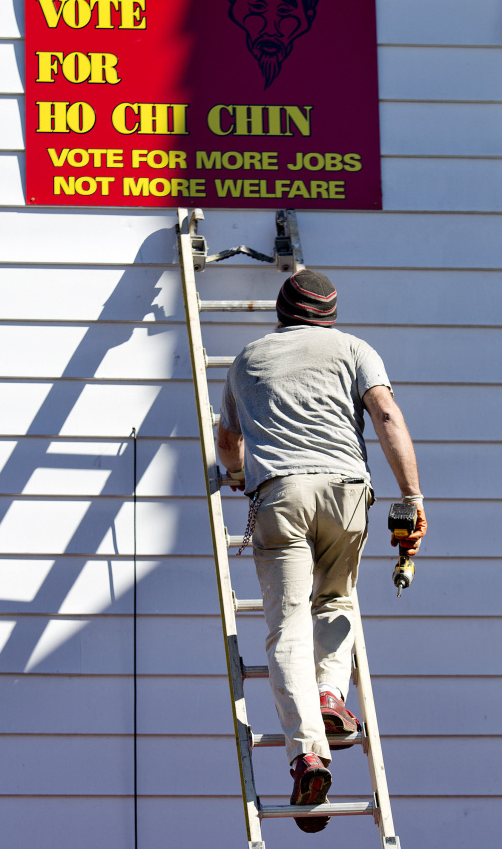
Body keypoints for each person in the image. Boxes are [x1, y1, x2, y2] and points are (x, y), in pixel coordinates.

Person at [216, 269, 426, 834]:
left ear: (281, 312)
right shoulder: (355, 350)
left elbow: (229, 441)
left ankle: (308, 752)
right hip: (346, 492)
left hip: (281, 493)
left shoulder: (247, 359)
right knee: (334, 600)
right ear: (330, 315)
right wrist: (411, 495)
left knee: (285, 626)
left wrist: (237, 475)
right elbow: (385, 415)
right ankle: (332, 692)